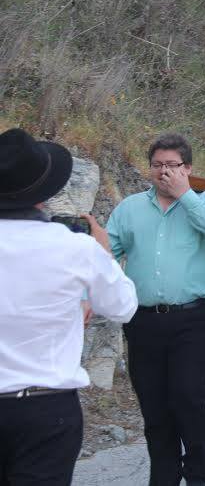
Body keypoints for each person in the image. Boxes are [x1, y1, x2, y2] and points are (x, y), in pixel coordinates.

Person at [0, 128, 138, 486]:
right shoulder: (76, 249)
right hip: (46, 410)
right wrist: (105, 252)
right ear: (44, 196)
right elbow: (122, 307)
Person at [102, 133, 205, 486]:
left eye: (173, 166)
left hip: (192, 318)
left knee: (188, 394)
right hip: (143, 320)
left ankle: (196, 472)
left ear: (188, 168)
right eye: (158, 165)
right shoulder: (130, 208)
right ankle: (163, 475)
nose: (165, 173)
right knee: (154, 404)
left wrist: (185, 196)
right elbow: (105, 252)